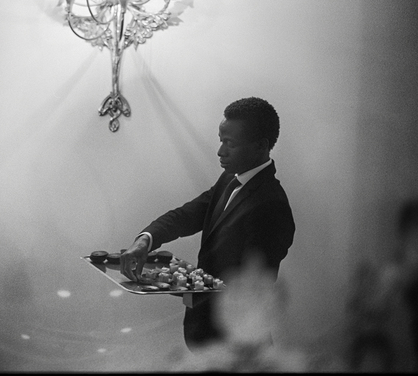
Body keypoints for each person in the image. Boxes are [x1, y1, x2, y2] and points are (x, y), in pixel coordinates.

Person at [120, 96, 295, 351]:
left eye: (229, 143)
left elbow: (250, 289)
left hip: (235, 343)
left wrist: (172, 283)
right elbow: (187, 215)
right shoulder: (229, 179)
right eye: (220, 140)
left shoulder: (272, 206)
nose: (220, 151)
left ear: (261, 146)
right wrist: (145, 239)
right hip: (202, 331)